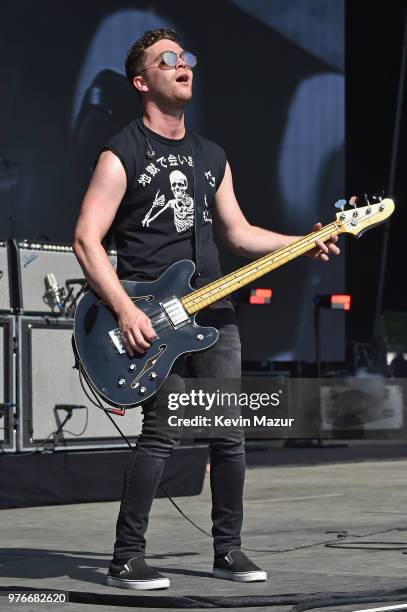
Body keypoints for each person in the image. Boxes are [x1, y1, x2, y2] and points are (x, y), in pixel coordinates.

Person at [73, 28, 340, 591]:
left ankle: (229, 550)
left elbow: (238, 234)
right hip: (151, 317)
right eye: (166, 59)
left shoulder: (210, 156)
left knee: (228, 435)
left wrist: (303, 240)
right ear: (142, 81)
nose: (182, 64)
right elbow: (86, 240)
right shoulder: (122, 154)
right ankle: (126, 557)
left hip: (212, 313)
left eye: (185, 56)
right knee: (163, 434)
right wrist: (124, 309)